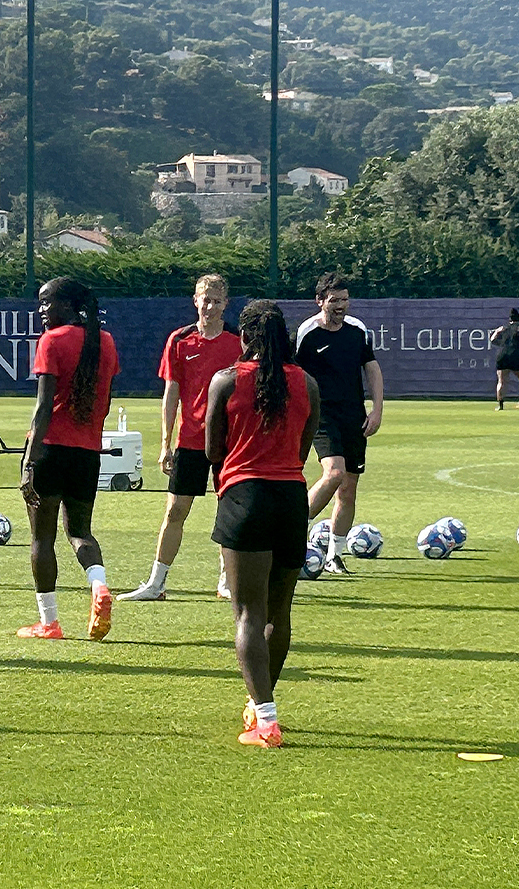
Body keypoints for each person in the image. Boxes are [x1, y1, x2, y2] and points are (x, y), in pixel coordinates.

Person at [205, 300, 318, 746]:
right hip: (291, 499)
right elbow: (303, 447)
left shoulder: (227, 381)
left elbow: (214, 450)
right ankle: (262, 706)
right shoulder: (306, 382)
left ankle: (266, 719)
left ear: (245, 338)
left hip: (244, 497)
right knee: (279, 611)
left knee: (247, 613)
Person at [120, 273, 241, 602]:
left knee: (228, 510)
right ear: (195, 300)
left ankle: (227, 581)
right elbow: (171, 394)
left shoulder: (238, 341)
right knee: (175, 511)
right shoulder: (180, 340)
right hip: (189, 441)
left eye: (217, 301)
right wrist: (164, 444)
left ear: (225, 304)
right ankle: (156, 583)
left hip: (229, 442)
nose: (210, 306)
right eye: (205, 299)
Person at [17, 276, 120, 640]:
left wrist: (30, 462)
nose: (42, 310)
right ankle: (99, 586)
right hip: (87, 453)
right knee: (80, 531)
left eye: (48, 303)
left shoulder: (52, 341)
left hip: (50, 450)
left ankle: (49, 622)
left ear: (69, 306)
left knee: (41, 539)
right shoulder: (105, 342)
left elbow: (43, 407)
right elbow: (104, 404)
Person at [293, 273, 383, 574]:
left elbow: (371, 368)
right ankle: (291, 528)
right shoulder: (307, 332)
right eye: (334, 300)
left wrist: (377, 409)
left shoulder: (357, 330)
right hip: (320, 415)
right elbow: (292, 372)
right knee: (334, 473)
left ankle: (334, 555)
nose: (341, 306)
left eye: (345, 300)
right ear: (320, 301)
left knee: (348, 489)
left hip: (354, 417)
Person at [491, 308, 519, 410]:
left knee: (501, 381)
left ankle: (500, 405)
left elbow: (492, 340)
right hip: (515, 354)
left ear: (509, 319)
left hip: (503, 355)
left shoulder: (504, 328)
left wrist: (497, 333)